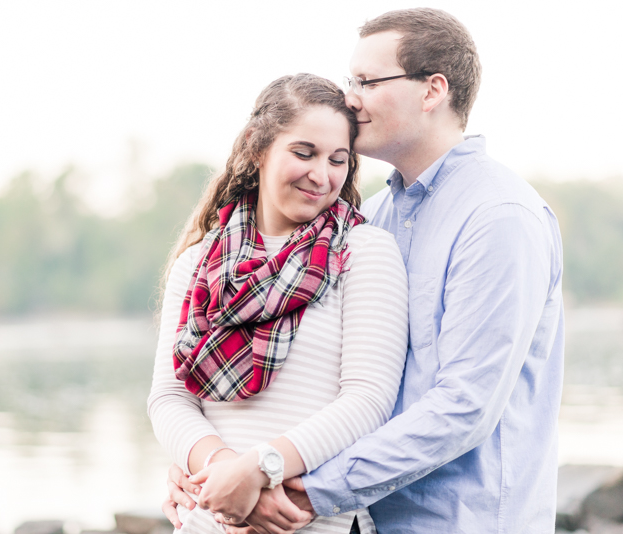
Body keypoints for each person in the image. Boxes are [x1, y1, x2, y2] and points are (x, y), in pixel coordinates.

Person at [164, 8, 565, 534]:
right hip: (371, 520)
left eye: (367, 81)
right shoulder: (371, 218)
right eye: (351, 80)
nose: (350, 97)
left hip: (463, 521)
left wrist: (286, 487)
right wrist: (201, 469)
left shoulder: (498, 218)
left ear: (432, 90)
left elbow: (464, 407)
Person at [147, 73, 409, 534]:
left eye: (338, 160)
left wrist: (261, 470)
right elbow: (169, 399)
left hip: (315, 521)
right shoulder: (197, 264)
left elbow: (368, 400)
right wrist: (228, 474)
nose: (321, 175)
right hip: (212, 520)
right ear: (256, 146)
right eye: (304, 153)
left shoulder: (363, 251)